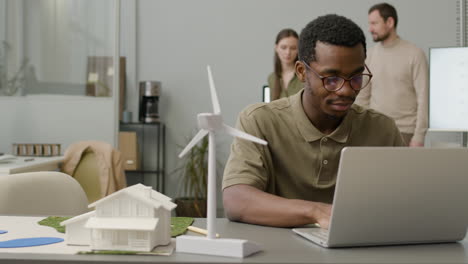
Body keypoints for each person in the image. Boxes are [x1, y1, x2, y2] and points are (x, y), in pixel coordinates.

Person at [222, 14, 404, 230]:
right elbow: (236, 200)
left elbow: (406, 203)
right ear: (302, 72)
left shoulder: (382, 129)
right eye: (331, 79)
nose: (346, 90)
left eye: (356, 78)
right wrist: (317, 212)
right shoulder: (259, 121)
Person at [355, 3, 428, 147]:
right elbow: (362, 98)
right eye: (369, 24)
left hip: (405, 133)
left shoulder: (414, 54)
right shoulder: (369, 56)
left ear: (390, 22)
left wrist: (419, 136)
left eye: (374, 23)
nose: (370, 29)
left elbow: (423, 97)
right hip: (374, 132)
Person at [267, 28, 303, 101]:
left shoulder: (305, 75)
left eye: (293, 48)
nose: (288, 52)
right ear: (276, 48)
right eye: (283, 47)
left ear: (298, 50)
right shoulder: (272, 78)